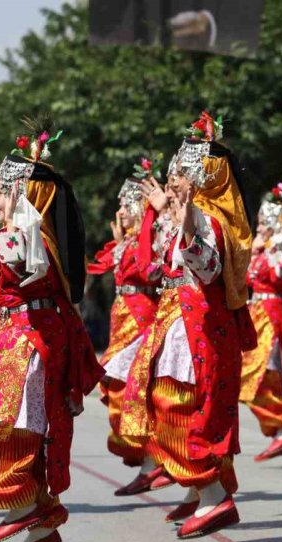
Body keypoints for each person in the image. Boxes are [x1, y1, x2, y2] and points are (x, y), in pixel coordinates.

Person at [0, 123, 103, 542]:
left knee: (12, 422)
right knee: (5, 422)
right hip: (15, 336)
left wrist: (21, 223)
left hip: (33, 338)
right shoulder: (20, 234)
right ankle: (38, 517)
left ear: (20, 193)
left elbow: (30, 270)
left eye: (3, 193)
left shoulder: (31, 235)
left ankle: (32, 506)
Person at [118, 111, 255, 536]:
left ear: (199, 180)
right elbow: (153, 268)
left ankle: (212, 493)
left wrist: (186, 223)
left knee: (178, 405)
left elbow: (209, 269)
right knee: (169, 404)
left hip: (196, 323)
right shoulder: (189, 216)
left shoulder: (211, 221)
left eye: (181, 173)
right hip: (178, 319)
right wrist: (165, 216)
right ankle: (200, 490)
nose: (173, 180)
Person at [87, 161, 175, 496]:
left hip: (140, 317)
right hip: (123, 318)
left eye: (126, 205)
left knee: (134, 391)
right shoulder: (128, 240)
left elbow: (148, 271)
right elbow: (100, 266)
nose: (120, 211)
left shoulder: (148, 238)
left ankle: (154, 460)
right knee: (124, 391)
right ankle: (149, 462)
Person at [239, 181, 282, 462]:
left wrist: (265, 250)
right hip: (257, 312)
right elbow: (244, 281)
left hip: (272, 314)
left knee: (261, 371)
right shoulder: (261, 248)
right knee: (248, 374)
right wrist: (254, 252)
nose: (259, 227)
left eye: (263, 223)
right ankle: (281, 426)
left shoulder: (281, 247)